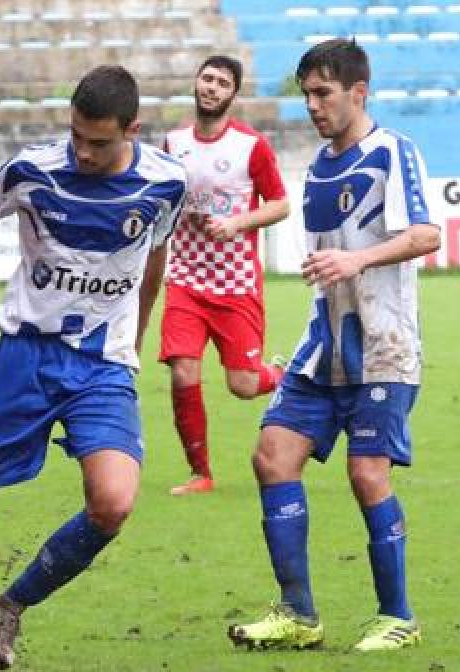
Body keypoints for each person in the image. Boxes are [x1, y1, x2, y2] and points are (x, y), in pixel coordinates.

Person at [0, 65, 186, 672]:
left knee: (113, 503)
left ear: (133, 130)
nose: (82, 151)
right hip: (25, 357)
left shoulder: (167, 183)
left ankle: (9, 607)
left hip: (102, 365)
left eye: (99, 141)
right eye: (76, 135)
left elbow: (153, 257)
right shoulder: (32, 169)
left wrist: (133, 341)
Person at [228, 39, 440, 652]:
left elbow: (426, 234)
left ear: (359, 92)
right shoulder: (319, 166)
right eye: (307, 96)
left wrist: (357, 260)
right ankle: (298, 615)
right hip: (325, 348)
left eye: (323, 94)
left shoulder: (393, 153)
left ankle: (398, 616)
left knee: (366, 473)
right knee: (272, 456)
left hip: (384, 348)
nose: (313, 106)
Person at [161, 55, 291, 496]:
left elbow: (280, 203)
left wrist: (237, 223)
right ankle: (201, 473)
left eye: (222, 82)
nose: (212, 87)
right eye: (207, 78)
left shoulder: (251, 145)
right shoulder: (174, 141)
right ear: (196, 84)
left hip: (235, 282)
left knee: (244, 384)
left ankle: (283, 376)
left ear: (233, 94)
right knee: (182, 373)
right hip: (185, 279)